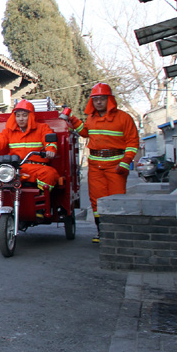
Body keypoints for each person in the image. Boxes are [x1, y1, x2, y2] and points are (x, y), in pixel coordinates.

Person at [63, 83, 139, 242]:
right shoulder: (91, 118)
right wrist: (72, 119)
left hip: (116, 165)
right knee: (96, 200)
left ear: (109, 99)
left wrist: (126, 161)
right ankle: (101, 232)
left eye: (102, 99)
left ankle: (118, 233)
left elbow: (132, 142)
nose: (98, 102)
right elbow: (85, 133)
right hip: (95, 165)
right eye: (95, 99)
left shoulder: (124, 118)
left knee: (117, 199)